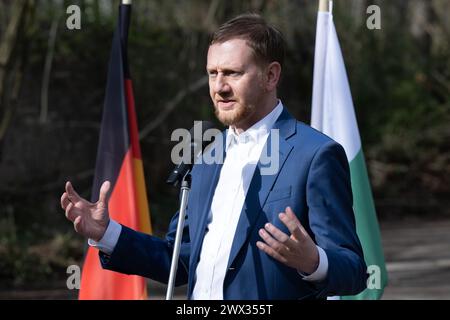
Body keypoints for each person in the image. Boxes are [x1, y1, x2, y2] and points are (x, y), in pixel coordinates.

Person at [61, 13, 367, 300]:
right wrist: (108, 233)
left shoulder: (315, 155)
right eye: (212, 73)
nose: (219, 87)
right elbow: (179, 259)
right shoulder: (204, 155)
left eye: (232, 73)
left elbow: (353, 270)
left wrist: (315, 262)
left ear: (271, 76)